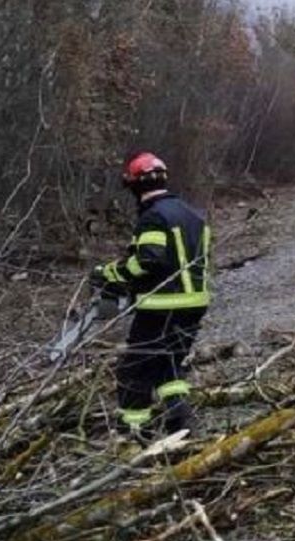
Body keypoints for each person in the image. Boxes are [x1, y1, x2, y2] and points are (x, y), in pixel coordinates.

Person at [95, 151, 211, 438]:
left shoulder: (153, 217)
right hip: (194, 303)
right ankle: (181, 425)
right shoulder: (192, 214)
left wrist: (109, 274)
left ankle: (134, 432)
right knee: (169, 364)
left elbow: (148, 261)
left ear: (134, 185)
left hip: (162, 307)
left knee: (135, 369)